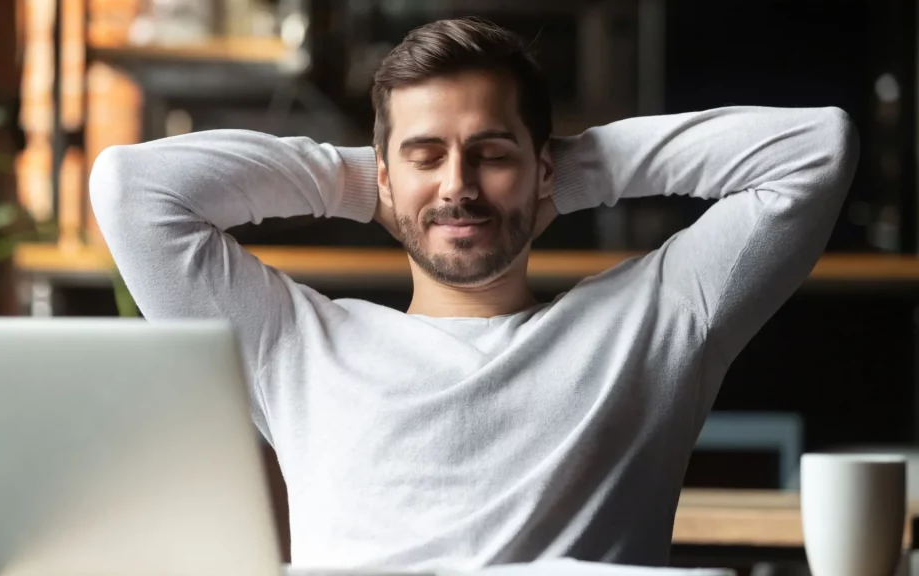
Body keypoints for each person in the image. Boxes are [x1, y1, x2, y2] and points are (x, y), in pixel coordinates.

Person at [90, 17, 858, 571]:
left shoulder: (656, 322)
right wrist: (365, 180)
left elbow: (814, 152)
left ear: (544, 170)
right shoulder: (290, 344)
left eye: (490, 155)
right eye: (427, 155)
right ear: (384, 177)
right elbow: (133, 191)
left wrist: (567, 168)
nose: (457, 186)